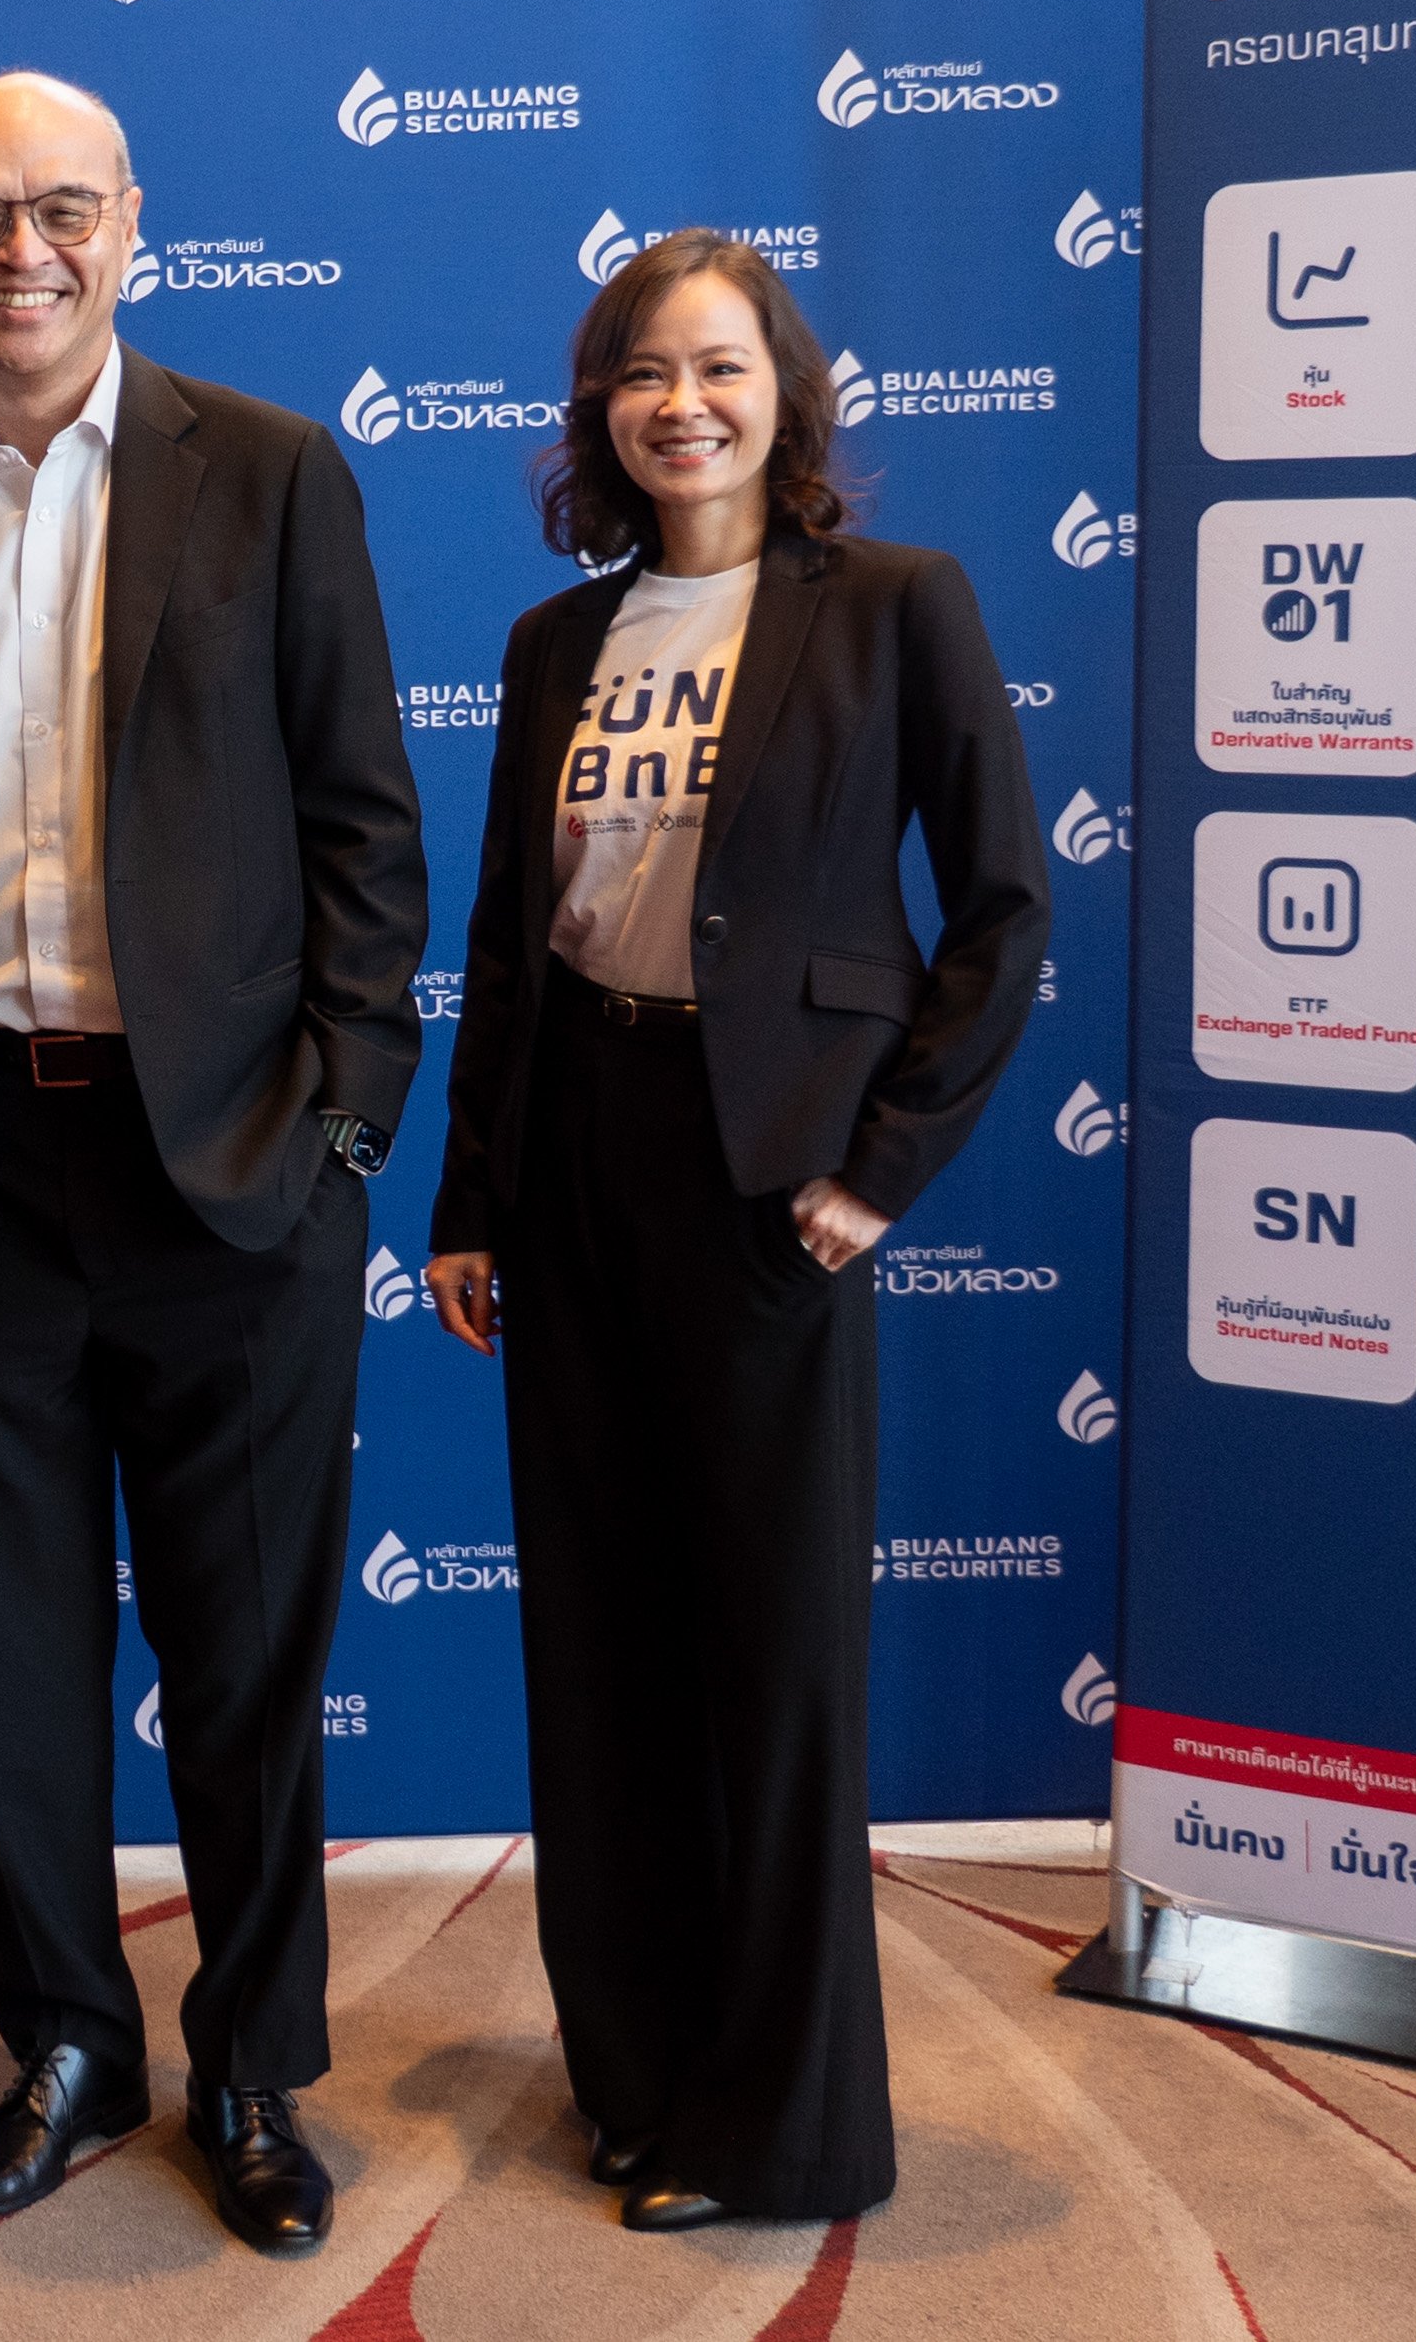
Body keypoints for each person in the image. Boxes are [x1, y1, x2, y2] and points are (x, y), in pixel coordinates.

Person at [0, 70, 426, 2259]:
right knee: (16, 1656)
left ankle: (252, 2065)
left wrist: (340, 1127)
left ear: (134, 222)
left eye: (62, 207)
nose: (20, 249)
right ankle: (62, 2041)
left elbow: (365, 828)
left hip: (234, 1170)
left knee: (246, 1660)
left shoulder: (273, 468)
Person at [417, 231, 1048, 2232]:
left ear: (785, 394)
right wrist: (470, 1194)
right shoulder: (554, 642)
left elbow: (1003, 909)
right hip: (573, 1163)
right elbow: (507, 945)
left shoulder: (894, 606)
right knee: (600, 1653)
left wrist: (881, 1169)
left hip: (768, 1177)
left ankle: (779, 2123)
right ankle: (634, 2077)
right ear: (597, 412)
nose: (679, 404)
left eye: (717, 366)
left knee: (769, 1667)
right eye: (640, 372)